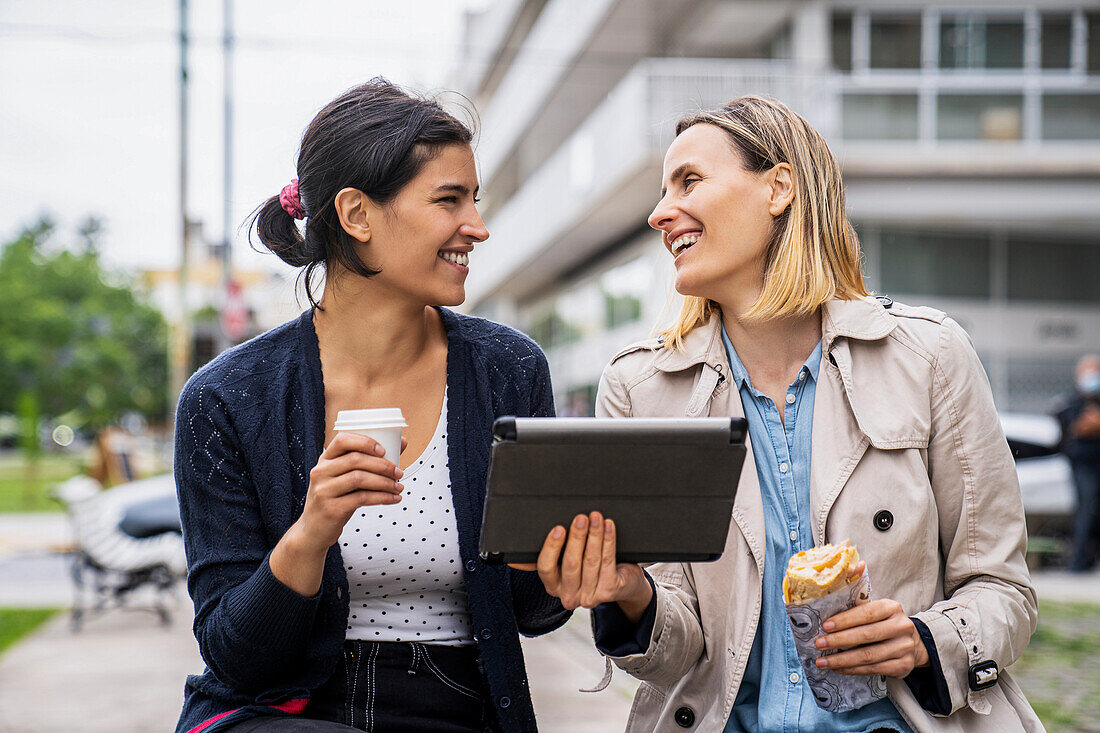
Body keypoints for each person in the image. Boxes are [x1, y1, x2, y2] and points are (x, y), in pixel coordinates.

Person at [521, 97, 1042, 731]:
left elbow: (1002, 590)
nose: (660, 213)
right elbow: (677, 649)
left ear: (780, 187)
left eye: (690, 181)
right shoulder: (638, 387)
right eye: (664, 190)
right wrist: (629, 593)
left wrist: (925, 642)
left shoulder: (929, 356)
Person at [173, 79, 569, 733]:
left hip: (457, 701)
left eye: (475, 199)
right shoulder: (225, 398)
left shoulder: (509, 369)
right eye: (450, 200)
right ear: (357, 214)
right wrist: (310, 533)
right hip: (284, 711)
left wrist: (556, 554)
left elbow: (533, 611)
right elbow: (235, 655)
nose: (477, 225)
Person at [1056, 354, 1100, 572]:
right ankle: (1079, 562)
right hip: (1083, 467)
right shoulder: (1070, 403)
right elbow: (1077, 429)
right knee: (1085, 512)